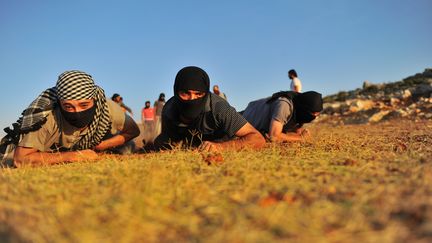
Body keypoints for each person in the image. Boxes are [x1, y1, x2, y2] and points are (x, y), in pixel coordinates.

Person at [0, 70, 140, 167]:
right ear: (60, 103)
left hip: (96, 145)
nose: (77, 112)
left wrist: (101, 145)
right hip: (61, 151)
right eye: (68, 106)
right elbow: (20, 159)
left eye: (84, 105)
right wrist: (74, 156)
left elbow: (133, 131)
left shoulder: (105, 106)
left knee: (128, 148)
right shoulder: (47, 117)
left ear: (94, 100)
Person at [153, 66, 265, 152]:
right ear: (176, 92)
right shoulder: (169, 109)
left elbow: (257, 139)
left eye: (198, 94)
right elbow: (169, 139)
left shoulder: (219, 107)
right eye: (185, 93)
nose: (192, 99)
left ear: (206, 93)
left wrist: (221, 147)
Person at [241, 91, 323, 143]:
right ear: (304, 109)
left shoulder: (299, 110)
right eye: (313, 113)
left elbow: (296, 132)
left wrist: (301, 135)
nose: (315, 117)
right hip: (244, 118)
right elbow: (273, 136)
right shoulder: (284, 106)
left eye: (318, 114)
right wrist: (302, 138)